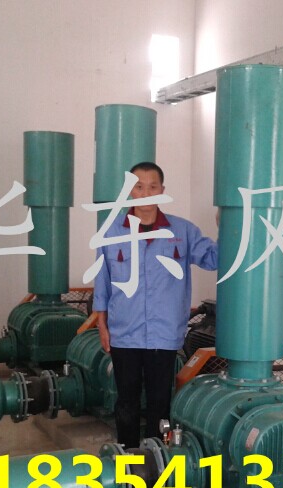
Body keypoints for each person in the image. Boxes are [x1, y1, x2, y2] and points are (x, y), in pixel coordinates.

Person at [93, 162, 218, 448]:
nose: (146, 193)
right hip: (125, 333)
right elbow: (103, 281)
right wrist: (101, 324)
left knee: (160, 402)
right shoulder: (111, 233)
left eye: (153, 187)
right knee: (126, 401)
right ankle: (127, 460)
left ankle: (155, 460)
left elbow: (213, 259)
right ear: (130, 191)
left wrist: (228, 225)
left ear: (162, 190)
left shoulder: (183, 231)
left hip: (164, 334)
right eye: (139, 187)